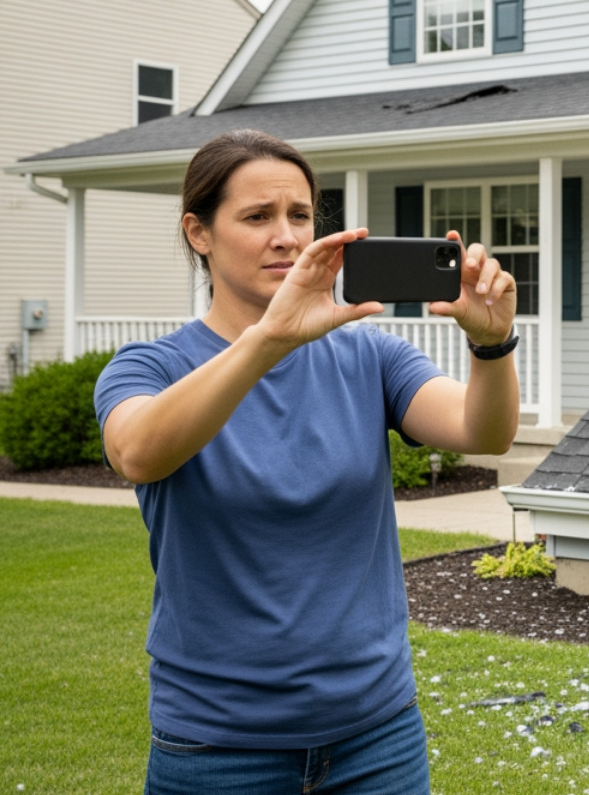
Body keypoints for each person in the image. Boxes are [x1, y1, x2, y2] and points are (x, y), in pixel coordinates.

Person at [94, 129, 520, 794]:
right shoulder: (149, 367)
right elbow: (138, 452)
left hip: (377, 734)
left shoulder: (368, 356)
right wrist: (270, 340)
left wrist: (492, 346)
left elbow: (481, 430)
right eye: (257, 217)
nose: (286, 237)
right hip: (218, 745)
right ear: (199, 233)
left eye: (299, 216)